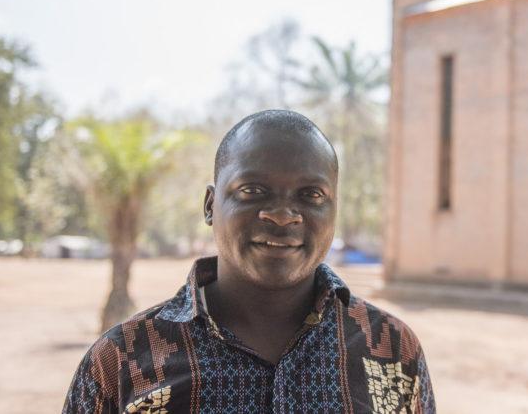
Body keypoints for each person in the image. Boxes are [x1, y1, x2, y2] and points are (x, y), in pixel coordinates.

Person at [63, 110, 435, 413]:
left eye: (311, 194)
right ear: (211, 206)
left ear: (334, 209)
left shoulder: (394, 351)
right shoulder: (121, 360)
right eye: (252, 190)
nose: (283, 215)